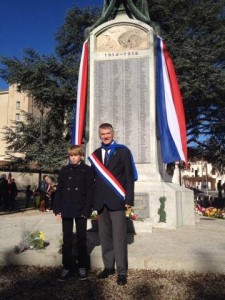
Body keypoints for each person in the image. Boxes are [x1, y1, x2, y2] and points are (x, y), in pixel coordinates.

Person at [89, 123, 137, 286]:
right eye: (102, 134)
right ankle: (108, 267)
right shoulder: (95, 154)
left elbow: (129, 177)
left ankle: (121, 271)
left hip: (117, 201)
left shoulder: (123, 151)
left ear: (113, 133)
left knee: (119, 237)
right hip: (101, 202)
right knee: (105, 237)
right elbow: (93, 180)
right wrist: (92, 202)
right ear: (99, 135)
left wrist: (129, 200)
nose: (105, 136)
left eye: (108, 133)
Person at [53, 145, 94, 281]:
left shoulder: (87, 170)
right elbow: (59, 191)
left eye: (75, 155)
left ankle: (82, 266)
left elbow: (89, 191)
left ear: (81, 155)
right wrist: (57, 210)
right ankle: (67, 267)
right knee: (67, 240)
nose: (73, 157)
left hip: (81, 209)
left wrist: (87, 209)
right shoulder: (64, 170)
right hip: (66, 208)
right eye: (71, 155)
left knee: (82, 240)